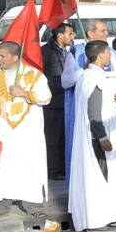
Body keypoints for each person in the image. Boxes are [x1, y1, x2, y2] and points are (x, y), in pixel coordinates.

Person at [0, 40, 51, 219]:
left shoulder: (34, 74)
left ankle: (33, 204)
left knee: (29, 165)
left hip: (27, 135)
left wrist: (24, 93)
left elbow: (46, 97)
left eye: (2, 56)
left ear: (15, 57)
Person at [69, 40, 116, 232]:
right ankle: (97, 219)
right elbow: (94, 113)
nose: (111, 57)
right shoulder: (95, 78)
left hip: (94, 135)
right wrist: (103, 138)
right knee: (100, 176)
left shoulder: (86, 76)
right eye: (109, 53)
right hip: (97, 137)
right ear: (102, 54)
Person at [41, 23, 76, 179]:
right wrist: (60, 82)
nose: (73, 37)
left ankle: (63, 168)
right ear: (60, 35)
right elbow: (41, 76)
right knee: (52, 138)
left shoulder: (71, 50)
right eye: (70, 34)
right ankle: (52, 170)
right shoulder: (46, 51)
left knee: (64, 136)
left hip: (67, 101)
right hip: (52, 101)